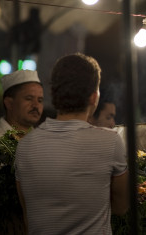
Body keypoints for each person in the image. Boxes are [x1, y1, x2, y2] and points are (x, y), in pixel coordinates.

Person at [14, 53, 129, 234]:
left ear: (53, 94)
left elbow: (27, 212)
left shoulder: (24, 147)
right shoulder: (111, 141)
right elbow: (121, 207)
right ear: (93, 97)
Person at [0, 70, 43, 137]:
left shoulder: (41, 139)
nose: (36, 105)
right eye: (29, 98)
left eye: (40, 100)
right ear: (9, 103)